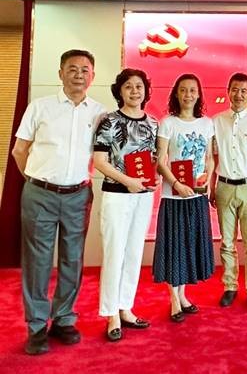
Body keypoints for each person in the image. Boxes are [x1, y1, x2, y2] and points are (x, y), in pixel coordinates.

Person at [12, 49, 106, 355]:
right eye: (72, 69)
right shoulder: (40, 107)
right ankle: (37, 325)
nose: (79, 74)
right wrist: (36, 181)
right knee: (37, 261)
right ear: (61, 73)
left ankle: (64, 318)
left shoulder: (100, 114)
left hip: (78, 195)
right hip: (39, 194)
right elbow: (19, 151)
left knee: (72, 259)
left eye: (85, 70)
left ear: (92, 76)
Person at [93, 69, 159, 341]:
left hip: (142, 196)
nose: (135, 91)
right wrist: (128, 181)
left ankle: (126, 308)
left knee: (133, 253)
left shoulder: (153, 123)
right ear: (119, 91)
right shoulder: (109, 121)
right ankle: (111, 314)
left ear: (146, 91)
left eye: (139, 86)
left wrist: (153, 177)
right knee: (114, 254)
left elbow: (153, 159)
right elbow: (99, 161)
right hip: (117, 195)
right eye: (129, 86)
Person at [153, 74, 215, 323]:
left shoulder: (206, 123)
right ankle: (174, 300)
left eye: (192, 90)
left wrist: (207, 178)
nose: (188, 95)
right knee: (174, 246)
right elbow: (160, 161)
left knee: (190, 246)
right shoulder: (168, 123)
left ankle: (183, 295)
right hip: (174, 196)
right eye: (183, 90)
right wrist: (177, 184)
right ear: (176, 94)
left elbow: (209, 157)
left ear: (199, 94)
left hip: (196, 195)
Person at [210, 73, 247, 309]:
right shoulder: (217, 121)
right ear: (228, 92)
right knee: (226, 242)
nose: (239, 95)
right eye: (235, 89)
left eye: (244, 91)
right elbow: (213, 158)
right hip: (224, 186)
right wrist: (211, 186)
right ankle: (230, 286)